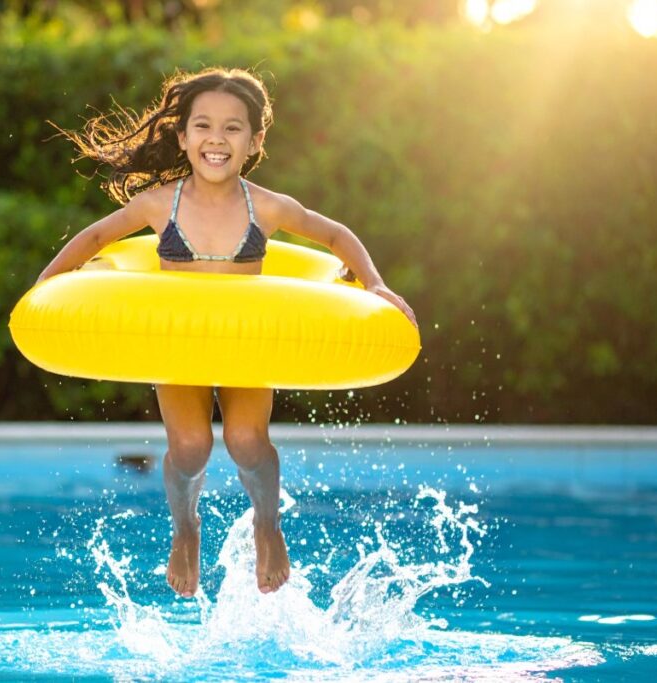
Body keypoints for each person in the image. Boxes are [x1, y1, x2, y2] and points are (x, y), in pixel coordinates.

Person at [36, 67, 417, 598]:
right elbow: (97, 235)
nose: (217, 139)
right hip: (181, 346)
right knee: (190, 447)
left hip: (246, 346)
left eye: (233, 128)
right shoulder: (160, 204)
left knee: (244, 440)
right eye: (203, 126)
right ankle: (185, 527)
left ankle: (268, 524)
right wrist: (46, 285)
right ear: (183, 136)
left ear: (255, 140)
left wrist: (374, 284)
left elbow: (334, 234)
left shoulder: (265, 206)